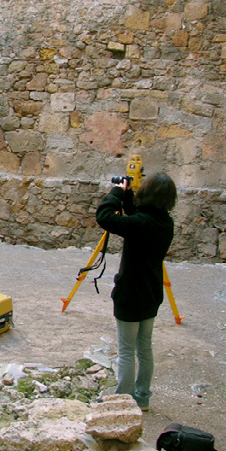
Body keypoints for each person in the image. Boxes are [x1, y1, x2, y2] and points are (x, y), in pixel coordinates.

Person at [96, 172, 177, 411]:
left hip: (130, 294)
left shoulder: (141, 224)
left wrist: (117, 192)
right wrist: (129, 194)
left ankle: (123, 399)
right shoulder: (164, 222)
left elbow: (105, 217)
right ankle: (142, 398)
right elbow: (139, 217)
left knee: (126, 351)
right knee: (144, 347)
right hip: (151, 294)